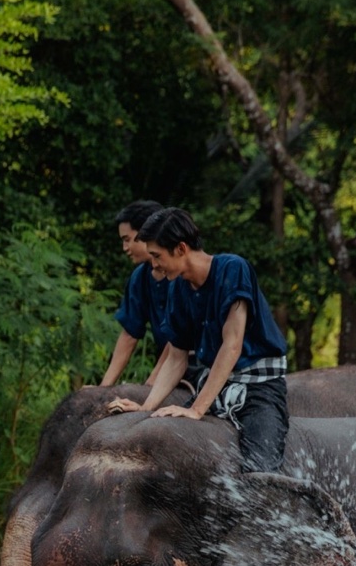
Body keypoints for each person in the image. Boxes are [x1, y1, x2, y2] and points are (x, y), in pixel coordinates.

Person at [107, 208, 290, 472]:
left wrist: (196, 409)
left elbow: (233, 344)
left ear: (180, 248)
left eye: (157, 256)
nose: (153, 264)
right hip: (215, 386)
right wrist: (145, 408)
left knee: (260, 472)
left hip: (259, 388)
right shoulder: (178, 287)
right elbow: (176, 357)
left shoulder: (232, 269)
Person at [97, 199, 181, 387]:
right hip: (165, 365)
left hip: (193, 362)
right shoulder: (140, 277)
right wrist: (104, 388)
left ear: (147, 233)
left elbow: (179, 338)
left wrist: (151, 385)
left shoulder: (181, 273)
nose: (125, 248)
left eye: (127, 240)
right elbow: (129, 334)